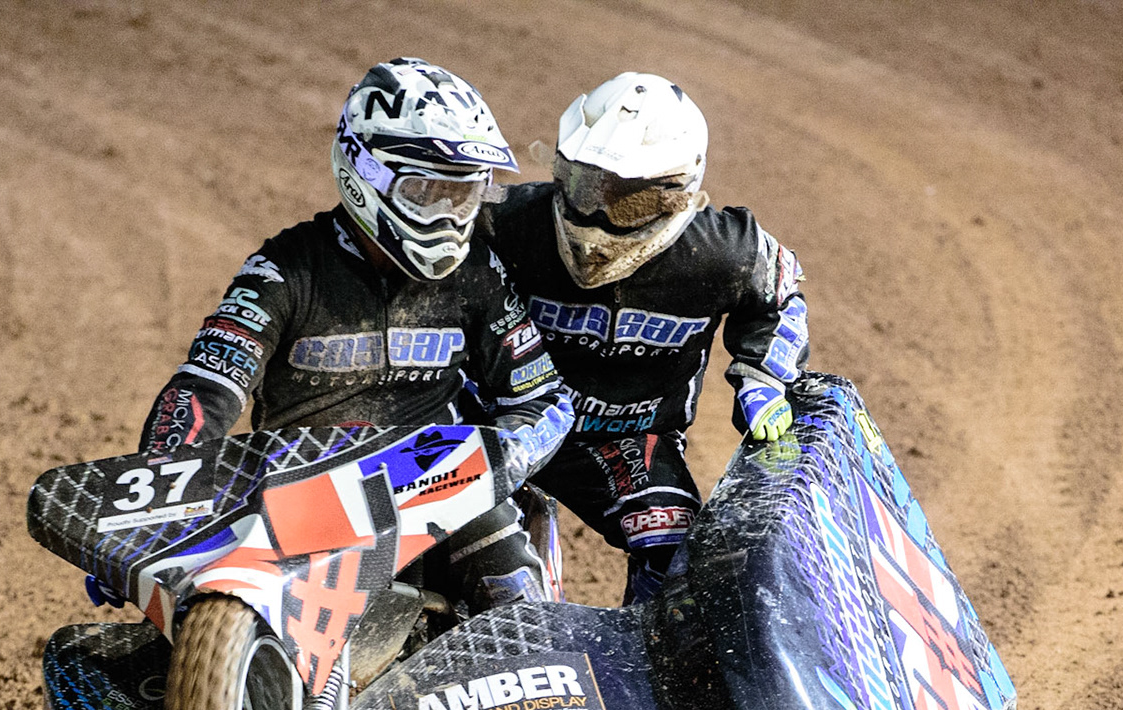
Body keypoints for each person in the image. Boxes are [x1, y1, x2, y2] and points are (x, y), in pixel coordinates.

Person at [127, 58, 572, 613]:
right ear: (365, 174)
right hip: (301, 493)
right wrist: (155, 506)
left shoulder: (478, 273)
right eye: (426, 190)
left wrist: (500, 457)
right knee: (182, 614)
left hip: (436, 485)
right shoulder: (286, 271)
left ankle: (538, 661)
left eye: (461, 194)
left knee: (509, 575)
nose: (448, 214)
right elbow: (205, 388)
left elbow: (541, 397)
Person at [478, 72, 810, 604]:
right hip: (502, 419)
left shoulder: (724, 251)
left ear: (676, 197)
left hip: (626, 440)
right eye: (583, 186)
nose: (595, 217)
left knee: (681, 566)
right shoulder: (503, 221)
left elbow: (779, 295)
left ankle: (645, 670)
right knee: (470, 550)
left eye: (625, 202)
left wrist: (762, 375)